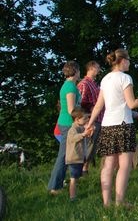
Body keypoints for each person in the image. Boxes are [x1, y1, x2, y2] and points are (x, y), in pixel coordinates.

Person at [86, 48, 138, 208]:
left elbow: (99, 106)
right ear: (122, 61)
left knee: (108, 164)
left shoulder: (105, 79)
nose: (130, 63)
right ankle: (120, 201)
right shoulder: (125, 78)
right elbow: (132, 103)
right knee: (125, 164)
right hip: (123, 125)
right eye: (129, 60)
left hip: (107, 125)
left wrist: (90, 124)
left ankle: (107, 203)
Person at [48, 61, 81, 196]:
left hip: (66, 123)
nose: (80, 73)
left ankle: (59, 184)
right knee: (63, 156)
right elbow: (71, 109)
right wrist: (85, 115)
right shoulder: (70, 87)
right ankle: (55, 187)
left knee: (65, 155)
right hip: (68, 124)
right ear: (75, 71)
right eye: (79, 70)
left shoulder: (69, 86)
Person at [77, 60, 102, 174]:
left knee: (93, 145)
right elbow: (81, 103)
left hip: (98, 117)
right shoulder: (84, 84)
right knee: (88, 144)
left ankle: (85, 168)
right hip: (90, 118)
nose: (99, 70)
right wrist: (87, 116)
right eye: (97, 67)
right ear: (91, 68)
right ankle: (80, 169)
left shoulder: (94, 84)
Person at [66, 107, 94, 201]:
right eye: (85, 118)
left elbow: (86, 136)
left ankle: (73, 193)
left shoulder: (81, 127)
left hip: (79, 157)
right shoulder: (72, 129)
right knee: (73, 178)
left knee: (76, 177)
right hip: (73, 158)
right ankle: (72, 197)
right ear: (77, 120)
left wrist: (89, 132)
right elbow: (73, 138)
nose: (87, 120)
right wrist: (83, 135)